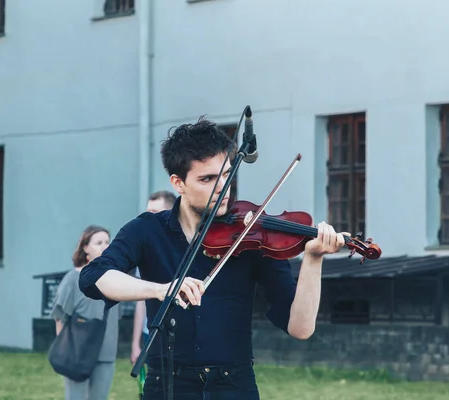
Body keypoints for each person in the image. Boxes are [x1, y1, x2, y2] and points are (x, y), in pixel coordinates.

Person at [79, 117, 346, 399]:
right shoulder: (147, 230)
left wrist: (313, 259)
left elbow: (300, 328)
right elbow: (93, 278)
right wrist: (160, 289)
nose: (222, 187)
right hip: (167, 385)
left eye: (227, 174)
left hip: (234, 386)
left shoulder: (253, 236)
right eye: (207, 179)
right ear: (178, 183)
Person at [50, 225, 120, 400]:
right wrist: (67, 352)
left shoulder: (118, 278)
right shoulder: (72, 279)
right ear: (85, 248)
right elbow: (60, 318)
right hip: (78, 352)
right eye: (98, 242)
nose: (105, 246)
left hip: (106, 352)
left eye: (107, 242)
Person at [131, 190, 177, 398]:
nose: (149, 217)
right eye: (147, 211)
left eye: (155, 211)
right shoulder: (147, 247)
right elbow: (141, 301)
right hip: (153, 334)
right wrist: (135, 343)